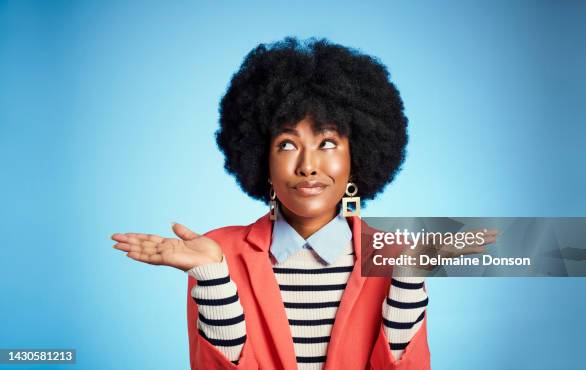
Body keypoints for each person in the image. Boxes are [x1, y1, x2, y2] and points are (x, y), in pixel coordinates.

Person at [111, 37, 497, 370]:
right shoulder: (215, 254)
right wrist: (212, 281)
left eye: (327, 142)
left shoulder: (395, 254)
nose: (308, 166)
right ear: (261, 159)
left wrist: (408, 280)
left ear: (356, 157)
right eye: (287, 145)